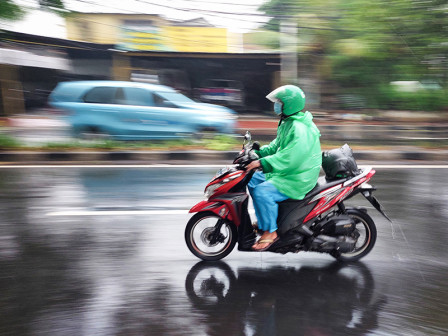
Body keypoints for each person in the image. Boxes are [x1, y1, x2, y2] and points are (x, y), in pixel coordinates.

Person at [246, 85, 322, 251]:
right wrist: (257, 152)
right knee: (251, 179)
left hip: (298, 177)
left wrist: (262, 163)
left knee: (262, 192)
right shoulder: (288, 122)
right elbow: (276, 146)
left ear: (289, 104)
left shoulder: (299, 129)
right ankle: (265, 221)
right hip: (291, 171)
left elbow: (290, 157)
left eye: (279, 102)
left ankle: (271, 232)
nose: (276, 105)